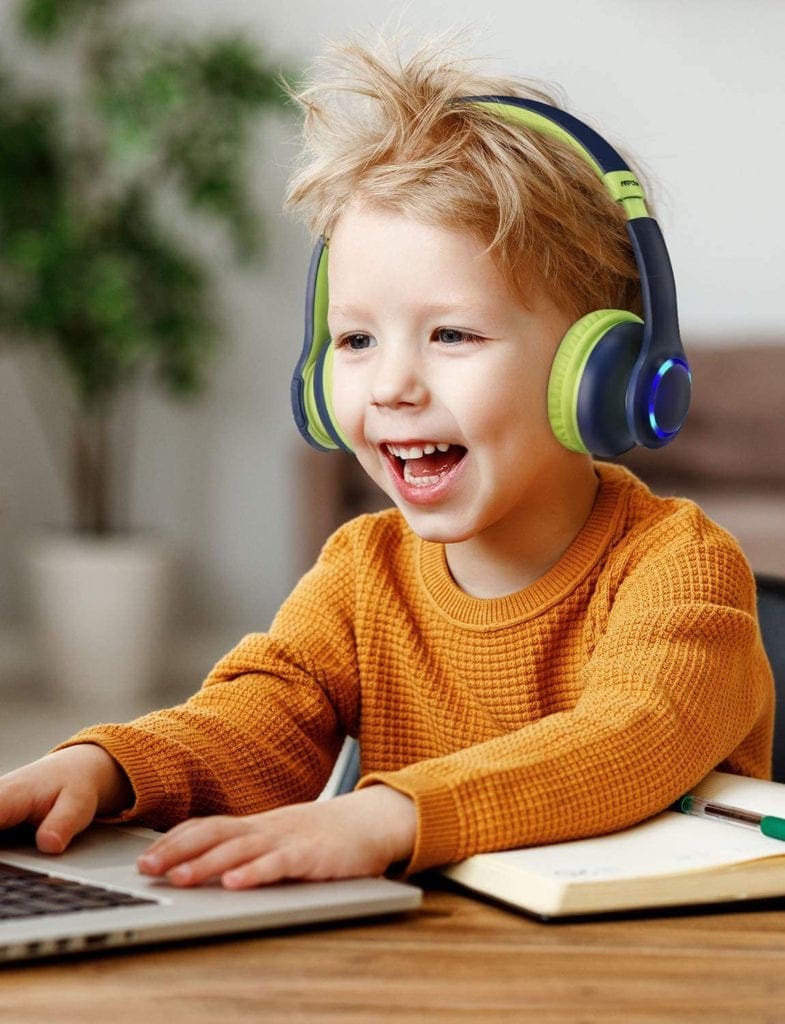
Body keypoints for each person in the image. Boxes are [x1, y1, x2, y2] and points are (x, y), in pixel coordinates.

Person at [0, 39, 774, 890]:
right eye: (356, 339)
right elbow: (257, 720)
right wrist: (106, 768)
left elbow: (633, 736)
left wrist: (384, 817)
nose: (392, 386)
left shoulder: (678, 567)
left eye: (452, 334)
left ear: (598, 373)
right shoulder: (360, 573)